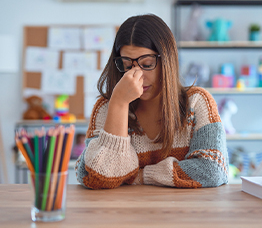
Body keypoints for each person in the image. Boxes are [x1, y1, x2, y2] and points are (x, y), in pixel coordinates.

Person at [75, 14, 228, 189]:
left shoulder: (197, 101)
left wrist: (139, 175)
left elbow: (213, 169)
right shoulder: (108, 107)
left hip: (185, 213)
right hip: (125, 213)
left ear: (167, 61)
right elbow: (92, 176)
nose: (136, 76)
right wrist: (119, 104)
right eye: (127, 65)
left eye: (147, 64)